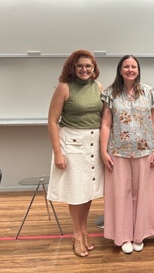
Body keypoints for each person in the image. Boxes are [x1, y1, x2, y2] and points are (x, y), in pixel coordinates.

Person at [100, 55, 154, 254]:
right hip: (118, 151)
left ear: (138, 69)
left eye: (133, 66)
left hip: (145, 151)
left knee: (143, 193)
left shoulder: (149, 92)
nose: (130, 70)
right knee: (121, 193)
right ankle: (123, 236)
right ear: (120, 70)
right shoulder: (110, 93)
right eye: (126, 66)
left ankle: (139, 235)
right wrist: (103, 151)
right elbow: (106, 123)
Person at [47, 49, 104, 257]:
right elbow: (52, 122)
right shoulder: (64, 88)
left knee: (88, 190)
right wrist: (58, 153)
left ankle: (84, 230)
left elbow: (105, 117)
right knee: (76, 191)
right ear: (73, 67)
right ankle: (76, 234)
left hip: (94, 144)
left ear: (94, 68)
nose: (84, 69)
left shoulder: (98, 87)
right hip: (71, 144)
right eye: (80, 66)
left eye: (88, 66)